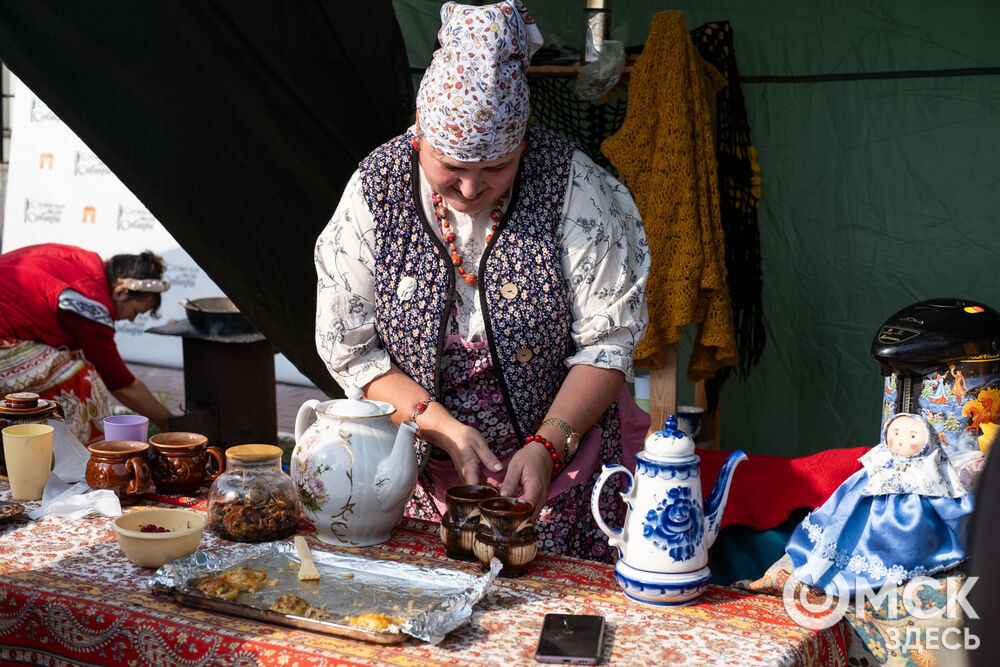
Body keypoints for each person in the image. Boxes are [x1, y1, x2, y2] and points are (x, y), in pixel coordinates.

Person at [314, 0, 650, 563]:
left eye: (495, 169)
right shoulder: (376, 192)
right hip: (420, 472)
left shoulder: (574, 187)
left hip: (570, 469)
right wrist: (442, 427)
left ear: (522, 145)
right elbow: (352, 349)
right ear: (419, 140)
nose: (471, 190)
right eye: (452, 167)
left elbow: (609, 339)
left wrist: (548, 445)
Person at [785, 413, 979, 596]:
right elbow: (851, 491)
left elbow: (947, 493)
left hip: (911, 523)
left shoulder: (929, 466)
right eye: (895, 433)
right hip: (871, 516)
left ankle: (911, 557)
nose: (901, 440)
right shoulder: (881, 459)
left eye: (912, 435)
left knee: (915, 536)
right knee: (849, 525)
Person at [0, 243, 175, 444]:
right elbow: (121, 384)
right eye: (135, 312)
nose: (132, 320)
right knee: (84, 382)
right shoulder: (89, 305)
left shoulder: (82, 262)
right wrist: (168, 422)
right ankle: (77, 460)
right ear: (121, 292)